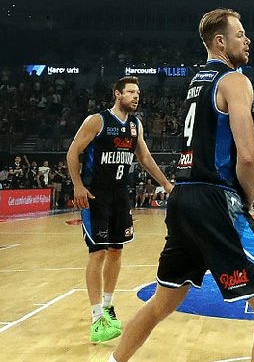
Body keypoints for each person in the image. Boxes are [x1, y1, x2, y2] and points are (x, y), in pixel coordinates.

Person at [110, 9, 254, 362]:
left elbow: (217, 144)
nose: (248, 40)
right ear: (220, 41)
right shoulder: (235, 81)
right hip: (216, 199)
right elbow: (247, 158)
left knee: (163, 301)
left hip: (184, 197)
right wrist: (245, 200)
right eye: (240, 34)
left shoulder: (198, 83)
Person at [66, 76, 174, 344]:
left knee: (116, 251)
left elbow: (145, 158)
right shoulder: (97, 121)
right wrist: (78, 185)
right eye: (131, 92)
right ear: (117, 94)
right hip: (96, 195)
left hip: (120, 195)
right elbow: (72, 152)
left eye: (138, 93)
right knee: (98, 252)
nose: (136, 96)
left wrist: (167, 185)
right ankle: (95, 319)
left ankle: (108, 306)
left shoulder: (135, 125)